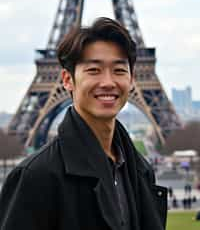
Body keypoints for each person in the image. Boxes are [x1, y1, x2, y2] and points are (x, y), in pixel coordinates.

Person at [0, 17, 167, 230]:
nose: (108, 82)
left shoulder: (140, 170)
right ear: (67, 79)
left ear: (132, 79)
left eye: (119, 70)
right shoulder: (35, 176)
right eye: (93, 70)